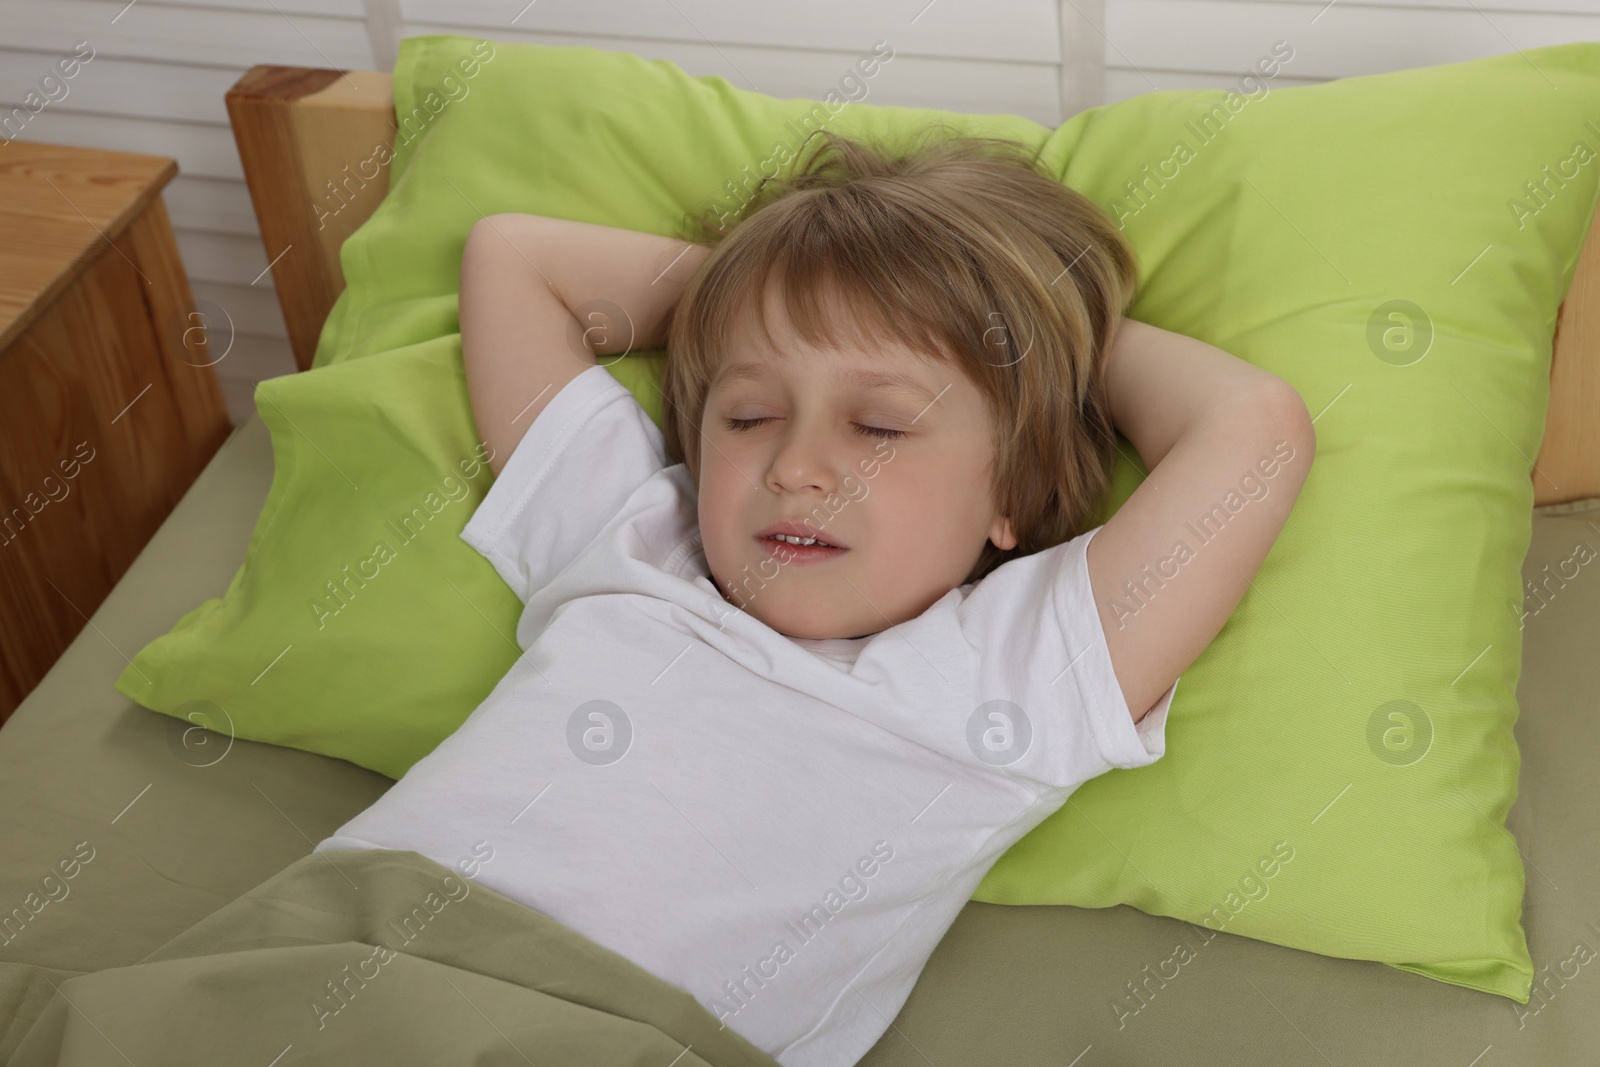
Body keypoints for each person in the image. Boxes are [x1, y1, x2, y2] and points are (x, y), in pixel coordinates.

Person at [314, 124, 1315, 1067]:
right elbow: (515, 258)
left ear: (1012, 490)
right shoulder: (631, 535)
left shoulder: (1008, 674)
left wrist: (1025, 332)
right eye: (747, 412)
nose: (794, 464)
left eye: (879, 424)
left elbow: (1252, 427)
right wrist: (789, 286)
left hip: (609, 1028)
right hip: (317, 949)